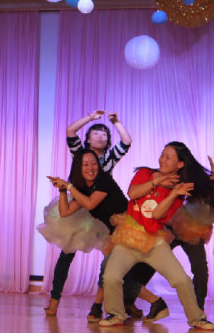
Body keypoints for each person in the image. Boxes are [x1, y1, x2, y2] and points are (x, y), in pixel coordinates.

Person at [99, 142, 214, 330]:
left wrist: (173, 194)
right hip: (128, 239)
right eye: (162, 155)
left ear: (179, 164)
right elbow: (132, 193)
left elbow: (156, 215)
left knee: (181, 280)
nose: (162, 160)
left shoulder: (178, 190)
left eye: (168, 157)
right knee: (111, 276)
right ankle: (116, 314)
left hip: (155, 243)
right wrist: (156, 182)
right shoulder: (144, 173)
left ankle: (197, 319)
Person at [131, 154, 214, 317]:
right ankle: (128, 298)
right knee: (149, 262)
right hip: (174, 227)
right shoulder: (205, 185)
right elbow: (188, 186)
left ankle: (198, 309)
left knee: (200, 270)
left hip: (195, 235)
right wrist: (208, 179)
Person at [45, 110, 138, 321]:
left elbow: (127, 140)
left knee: (113, 259)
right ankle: (54, 299)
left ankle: (110, 303)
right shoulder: (81, 153)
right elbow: (70, 131)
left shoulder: (109, 157)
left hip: (103, 210)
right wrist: (90, 118)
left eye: (104, 133)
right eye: (96, 132)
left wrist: (115, 121)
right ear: (87, 139)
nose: (101, 135)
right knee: (67, 253)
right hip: (80, 207)